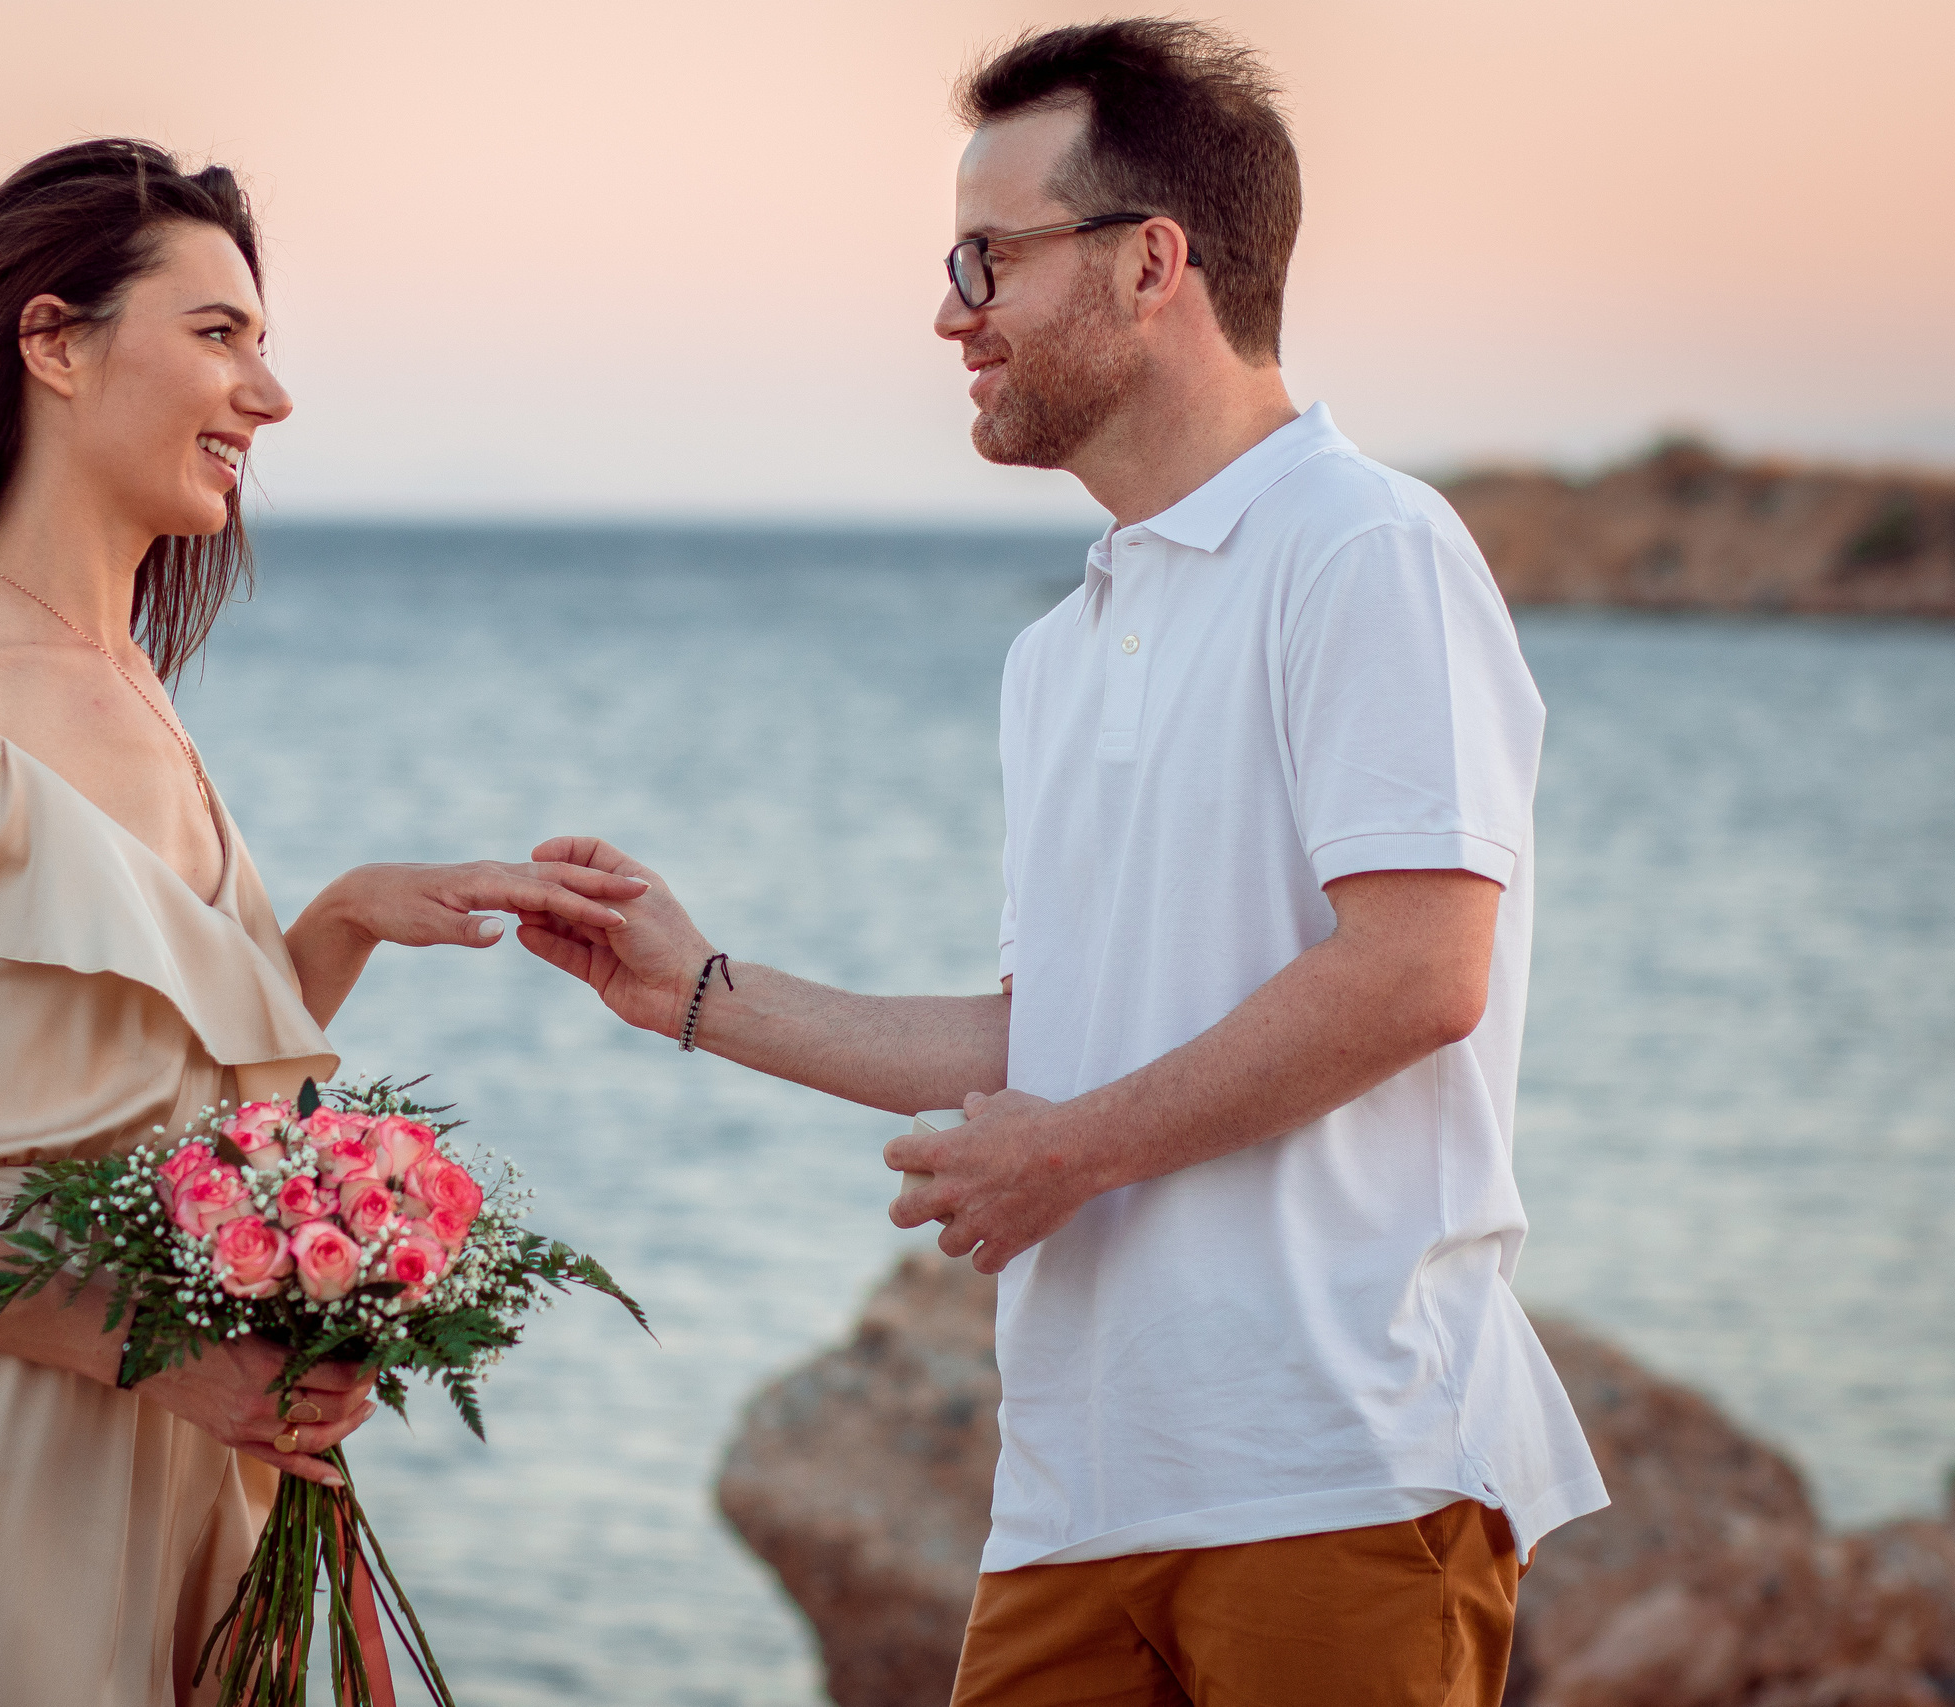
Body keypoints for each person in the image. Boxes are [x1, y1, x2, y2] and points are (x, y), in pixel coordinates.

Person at [520, 21, 1604, 1704]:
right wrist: (697, 992)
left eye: (988, 257)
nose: (952, 312)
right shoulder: (1062, 647)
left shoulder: (1367, 548)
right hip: (1074, 1499)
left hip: (1342, 1472)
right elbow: (1063, 1029)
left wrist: (1072, 1156)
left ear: (1152, 260)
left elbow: (1418, 974)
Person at [0, 139, 644, 1707]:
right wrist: (165, 1356)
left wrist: (347, 919)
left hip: (216, 1446)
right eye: (219, 336)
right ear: (54, 344)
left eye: (263, 345)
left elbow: (166, 1103)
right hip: (7, 1445)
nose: (268, 399)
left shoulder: (139, 692)